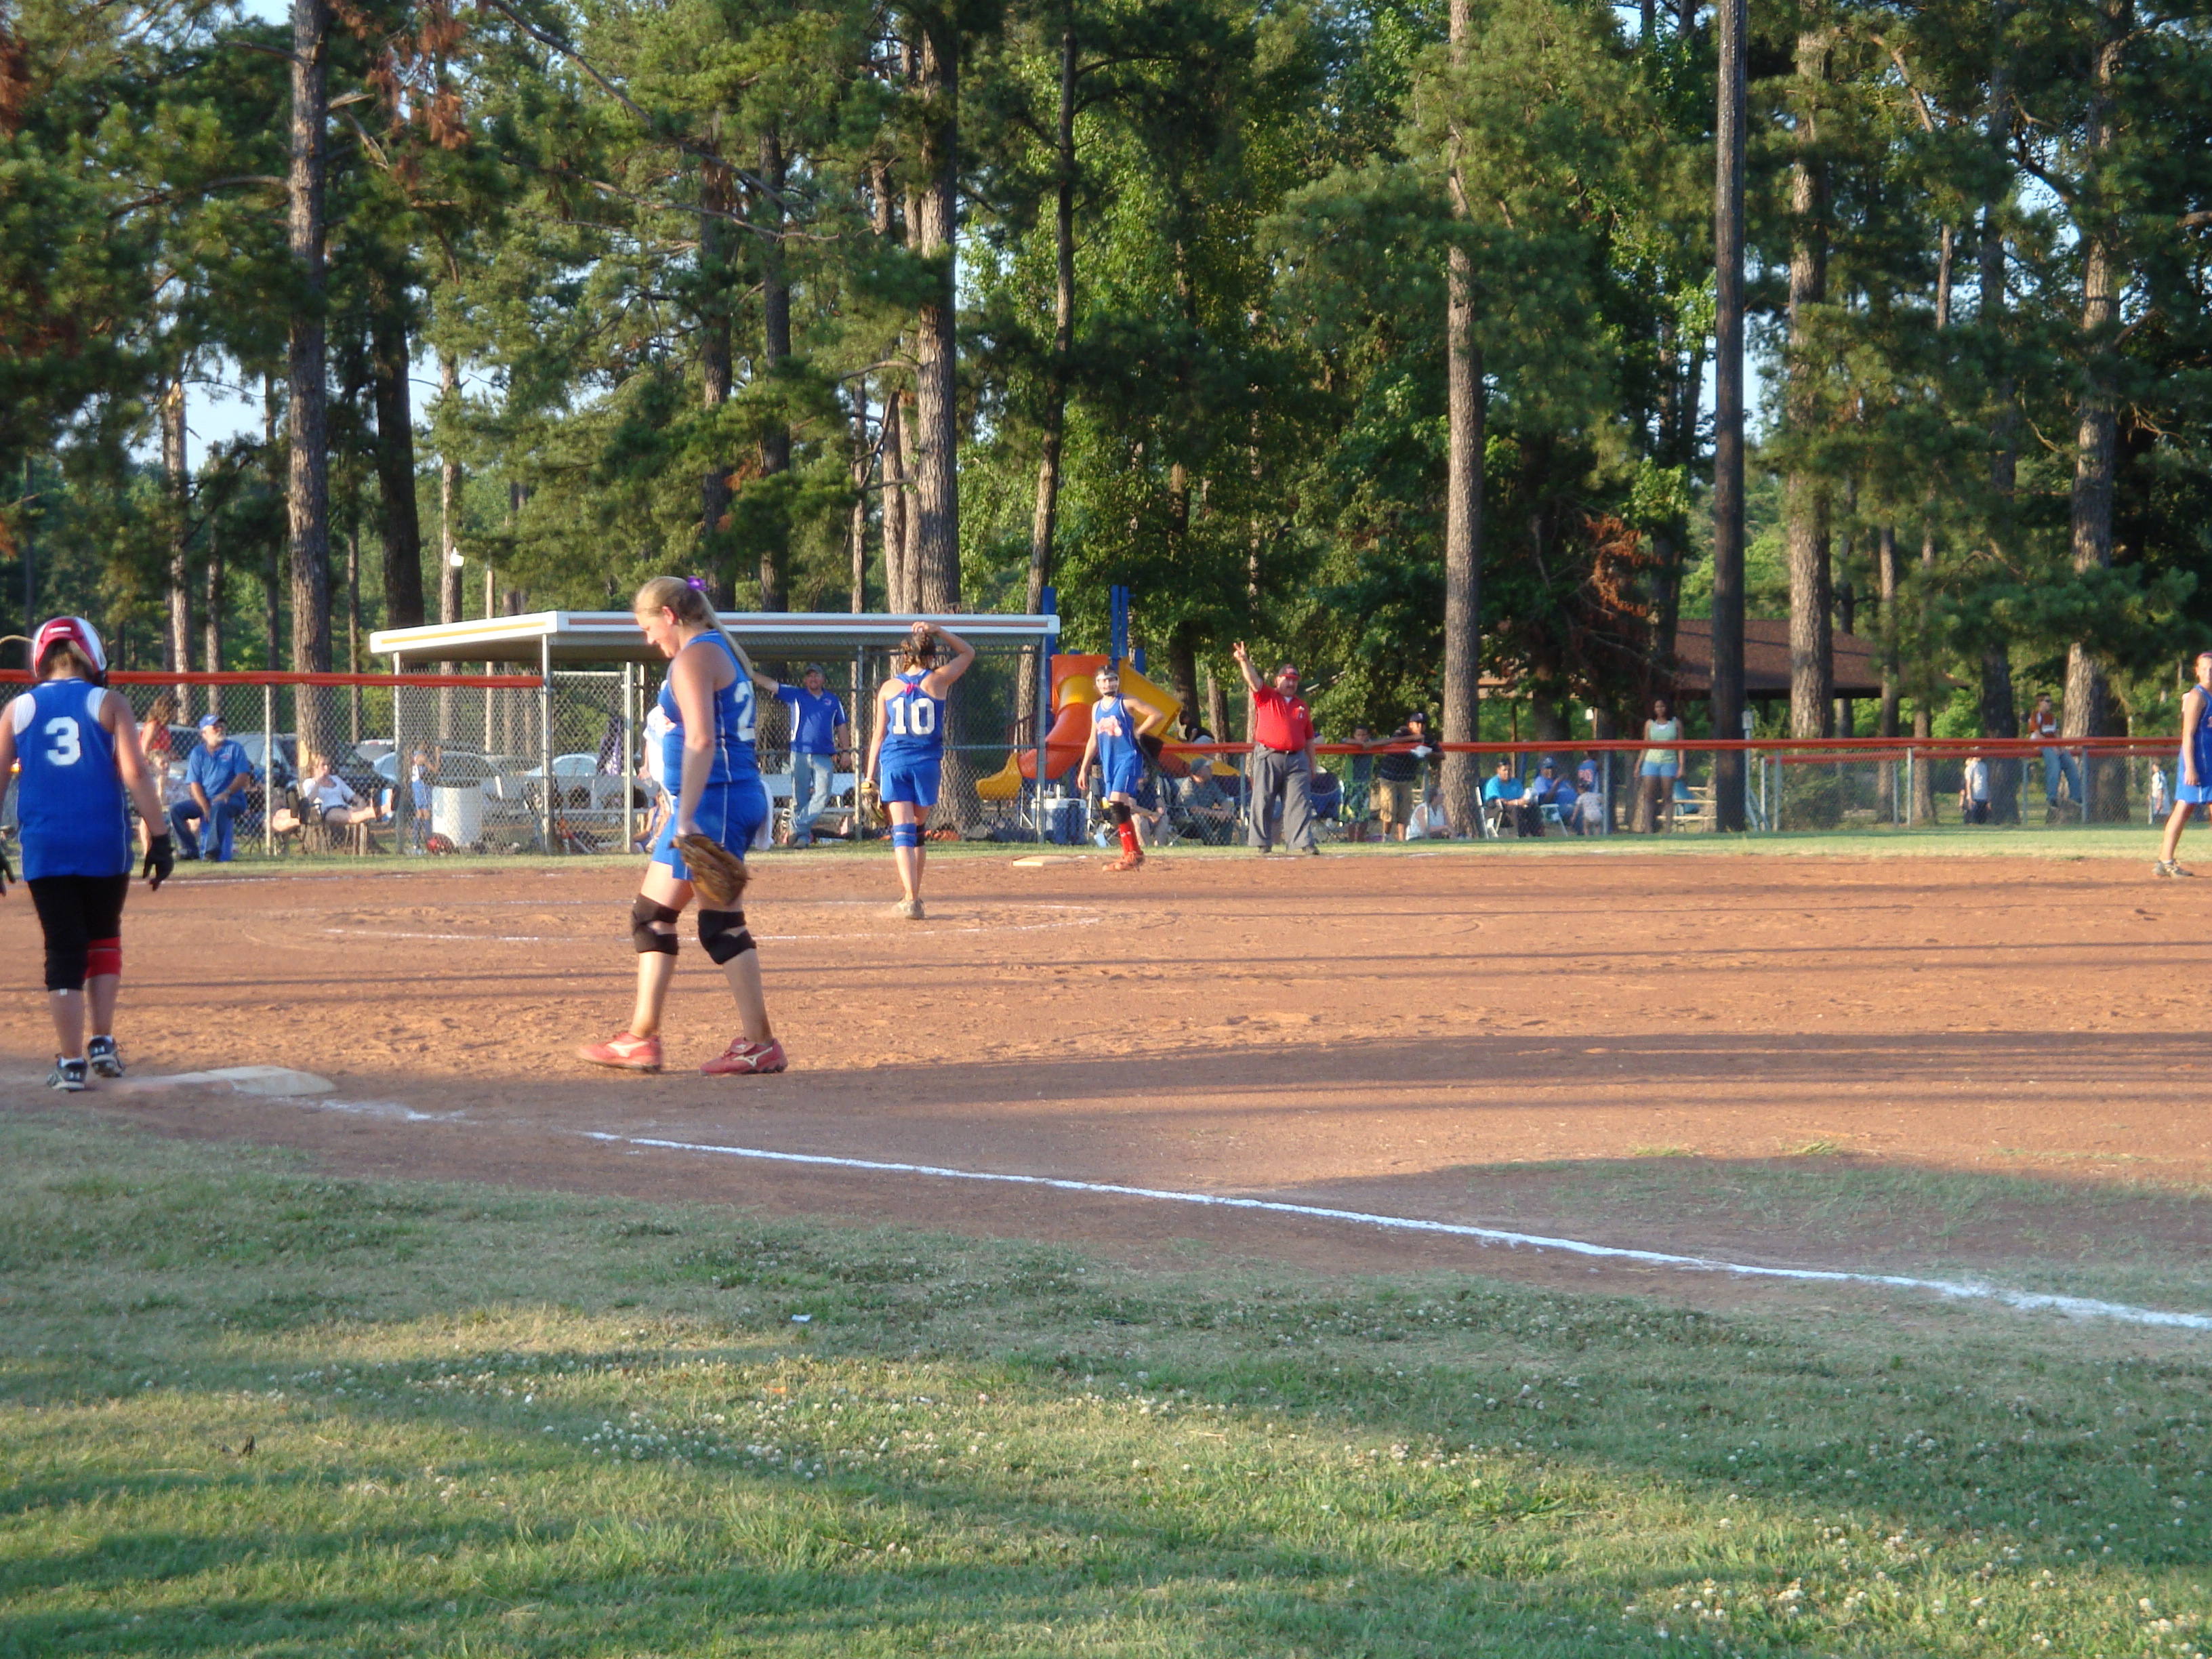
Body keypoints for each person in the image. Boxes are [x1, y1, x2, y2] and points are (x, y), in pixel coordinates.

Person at [578, 577, 785, 1077]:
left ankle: (758, 1044)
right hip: (720, 799)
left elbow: (701, 741)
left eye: (649, 627)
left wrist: (685, 815)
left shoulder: (694, 657)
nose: (649, 639)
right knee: (652, 916)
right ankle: (642, 1038)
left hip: (715, 802)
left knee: (720, 926)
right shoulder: (714, 650)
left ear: (670, 616)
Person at [0, 617, 173, 1090]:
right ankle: (102, 1041)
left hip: (46, 845)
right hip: (103, 843)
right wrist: (160, 836)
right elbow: (135, 772)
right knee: (102, 939)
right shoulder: (110, 702)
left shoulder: (17, 709)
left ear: (42, 658)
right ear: (91, 655)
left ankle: (71, 1064)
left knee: (63, 950)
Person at [865, 621, 976, 918]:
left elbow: (878, 735)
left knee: (901, 832)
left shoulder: (888, 687)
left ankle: (910, 899)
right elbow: (968, 652)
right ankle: (914, 896)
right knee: (917, 831)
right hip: (926, 764)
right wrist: (940, 629)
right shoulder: (937, 681)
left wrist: (867, 776)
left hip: (894, 762)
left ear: (905, 655)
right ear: (930, 655)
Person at [1077, 661, 1166, 872]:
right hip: (1109, 761)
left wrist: (1139, 731)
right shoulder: (1096, 708)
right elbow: (1093, 740)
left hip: (1128, 757)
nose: (1108, 683)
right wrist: (1084, 768)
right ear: (1097, 685)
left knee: (1117, 801)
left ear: (1117, 682)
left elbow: (1157, 714)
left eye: (1112, 679)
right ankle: (1132, 853)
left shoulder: (1125, 702)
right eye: (1103, 681)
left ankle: (1132, 853)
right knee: (1117, 804)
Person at [1232, 640, 1318, 855]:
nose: (1291, 683)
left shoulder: (1302, 705)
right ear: (1278, 680)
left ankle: (1303, 842)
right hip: (1269, 754)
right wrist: (1244, 661)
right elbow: (1253, 680)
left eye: (1294, 680)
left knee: (1300, 803)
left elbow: (1309, 739)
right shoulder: (1267, 696)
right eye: (1287, 679)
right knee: (1263, 799)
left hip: (1297, 758)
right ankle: (1262, 843)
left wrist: (1312, 765)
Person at [766, 664, 850, 847]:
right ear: (805, 680)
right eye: (810, 676)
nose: (813, 679)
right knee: (799, 799)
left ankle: (795, 827)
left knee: (823, 796)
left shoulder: (833, 700)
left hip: (824, 756)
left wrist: (846, 751)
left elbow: (842, 726)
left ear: (823, 679)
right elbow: (772, 685)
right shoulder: (796, 695)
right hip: (800, 755)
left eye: (817, 675)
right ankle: (802, 839)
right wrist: (749, 672)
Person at [2155, 649, 2212, 878]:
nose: (2209, 673)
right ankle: (2165, 860)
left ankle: (2163, 860)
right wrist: (2190, 767)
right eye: (2205, 669)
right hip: (2198, 763)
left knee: (2184, 809)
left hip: (2210, 763)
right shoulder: (2197, 696)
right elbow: (2187, 735)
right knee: (2183, 808)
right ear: (2197, 672)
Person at [184, 713, 255, 862]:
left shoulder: (235, 748)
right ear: (204, 733)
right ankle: (189, 851)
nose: (220, 729)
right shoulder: (197, 753)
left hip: (232, 800)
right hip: (205, 800)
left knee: (219, 807)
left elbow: (242, 775)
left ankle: (212, 853)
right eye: (215, 726)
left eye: (222, 726)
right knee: (176, 811)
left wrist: (227, 793)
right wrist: (204, 806)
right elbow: (194, 783)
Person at [272, 752, 380, 838]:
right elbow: (310, 799)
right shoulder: (310, 782)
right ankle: (294, 810)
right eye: (323, 765)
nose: (327, 768)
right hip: (324, 811)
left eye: (328, 765)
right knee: (280, 814)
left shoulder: (336, 779)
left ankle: (384, 807)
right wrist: (319, 781)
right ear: (315, 768)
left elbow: (353, 796)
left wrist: (361, 802)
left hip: (343, 807)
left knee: (355, 812)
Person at [2029, 692, 2083, 821]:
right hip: (2041, 744)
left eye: (2050, 701)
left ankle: (2076, 796)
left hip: (2053, 745)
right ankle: (2051, 797)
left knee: (2070, 764)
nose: (2050, 704)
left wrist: (2061, 746)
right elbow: (2038, 735)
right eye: (2047, 701)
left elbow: (2056, 733)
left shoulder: (2052, 717)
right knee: (2054, 765)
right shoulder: (2035, 715)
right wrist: (2052, 746)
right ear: (2040, 703)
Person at [1374, 714, 1427, 841]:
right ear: (1410, 724)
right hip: (1389, 777)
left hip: (1407, 778)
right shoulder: (1403, 731)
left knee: (1405, 809)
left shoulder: (1425, 738)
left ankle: (1402, 839)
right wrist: (1414, 738)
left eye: (1422, 724)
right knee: (1389, 808)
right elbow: (1393, 740)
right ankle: (1386, 836)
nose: (1420, 727)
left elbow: (1433, 751)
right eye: (1416, 724)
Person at [1639, 696, 1681, 832]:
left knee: (1667, 796)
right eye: (1657, 707)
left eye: (1662, 706)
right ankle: (1649, 829)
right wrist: (1638, 764)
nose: (1660, 709)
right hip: (1651, 761)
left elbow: (1682, 747)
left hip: (1669, 762)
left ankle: (1668, 828)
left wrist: (1682, 766)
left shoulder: (1675, 723)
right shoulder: (1649, 724)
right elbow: (1645, 745)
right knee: (1649, 796)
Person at [150, 750, 200, 859]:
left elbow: (186, 800)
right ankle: (150, 854)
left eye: (168, 762)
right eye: (162, 763)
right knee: (144, 824)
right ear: (153, 767)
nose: (166, 766)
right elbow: (158, 806)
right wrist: (161, 787)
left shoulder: (178, 781)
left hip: (179, 813)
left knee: (196, 822)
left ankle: (188, 850)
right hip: (161, 814)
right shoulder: (150, 784)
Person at [1483, 757, 1540, 838]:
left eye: (1509, 770)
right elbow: (1499, 802)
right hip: (1499, 813)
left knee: (1534, 807)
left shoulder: (1516, 783)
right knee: (1514, 808)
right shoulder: (1493, 783)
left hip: (1517, 811)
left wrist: (1525, 802)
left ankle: (1537, 835)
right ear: (1498, 771)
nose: (1507, 773)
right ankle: (1523, 835)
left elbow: (1523, 798)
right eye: (1504, 770)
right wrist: (1517, 802)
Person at [1341, 725, 1375, 841]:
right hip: (1352, 783)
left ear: (1369, 736)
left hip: (1365, 783)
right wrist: (1361, 744)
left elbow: (1387, 741)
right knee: (1352, 814)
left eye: (1364, 735)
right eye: (1358, 735)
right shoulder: (1350, 743)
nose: (1361, 738)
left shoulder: (1371, 744)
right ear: (1354, 736)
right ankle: (1351, 840)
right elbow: (1344, 740)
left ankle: (1360, 839)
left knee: (1364, 814)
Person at [1960, 753, 1992, 825]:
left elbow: (1987, 782)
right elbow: (1969, 783)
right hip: (1974, 797)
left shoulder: (1984, 766)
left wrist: (1988, 798)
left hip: (1983, 797)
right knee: (1972, 821)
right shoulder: (1970, 767)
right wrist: (1970, 797)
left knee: (1981, 821)